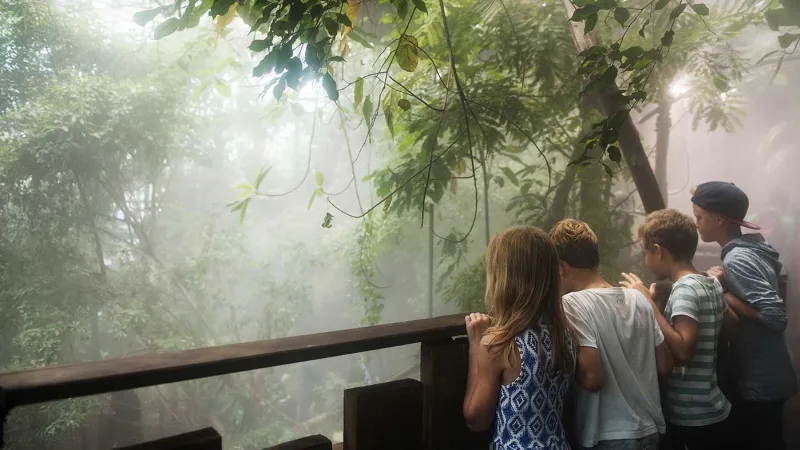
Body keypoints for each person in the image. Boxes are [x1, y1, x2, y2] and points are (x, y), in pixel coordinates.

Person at [691, 181, 797, 449]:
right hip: (770, 373)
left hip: (761, 380)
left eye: (699, 218)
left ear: (719, 219)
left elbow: (776, 317)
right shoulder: (749, 250)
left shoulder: (738, 259)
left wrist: (724, 294)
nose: (697, 224)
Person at [549, 219, 672, 450]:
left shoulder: (572, 304)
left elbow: (592, 379)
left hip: (608, 435)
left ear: (562, 268)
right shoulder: (638, 299)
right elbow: (665, 365)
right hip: (649, 431)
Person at [619, 209, 732, 449]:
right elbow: (731, 325)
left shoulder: (685, 289)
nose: (645, 260)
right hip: (712, 403)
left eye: (646, 253)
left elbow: (683, 352)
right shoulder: (709, 282)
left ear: (658, 250)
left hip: (691, 413)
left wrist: (648, 304)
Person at [463, 226, 577, 449]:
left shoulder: (500, 343)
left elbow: (476, 419)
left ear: (503, 279)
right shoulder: (565, 334)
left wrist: (475, 345)